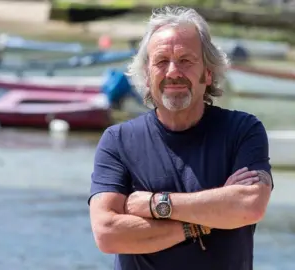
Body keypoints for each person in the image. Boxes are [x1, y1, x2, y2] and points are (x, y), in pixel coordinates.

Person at [88, 6, 273, 270]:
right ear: (147, 74)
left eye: (186, 60)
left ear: (207, 73)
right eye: (162, 61)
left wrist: (153, 204)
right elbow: (107, 234)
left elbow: (249, 206)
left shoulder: (242, 130)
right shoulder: (118, 141)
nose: (173, 72)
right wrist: (203, 220)